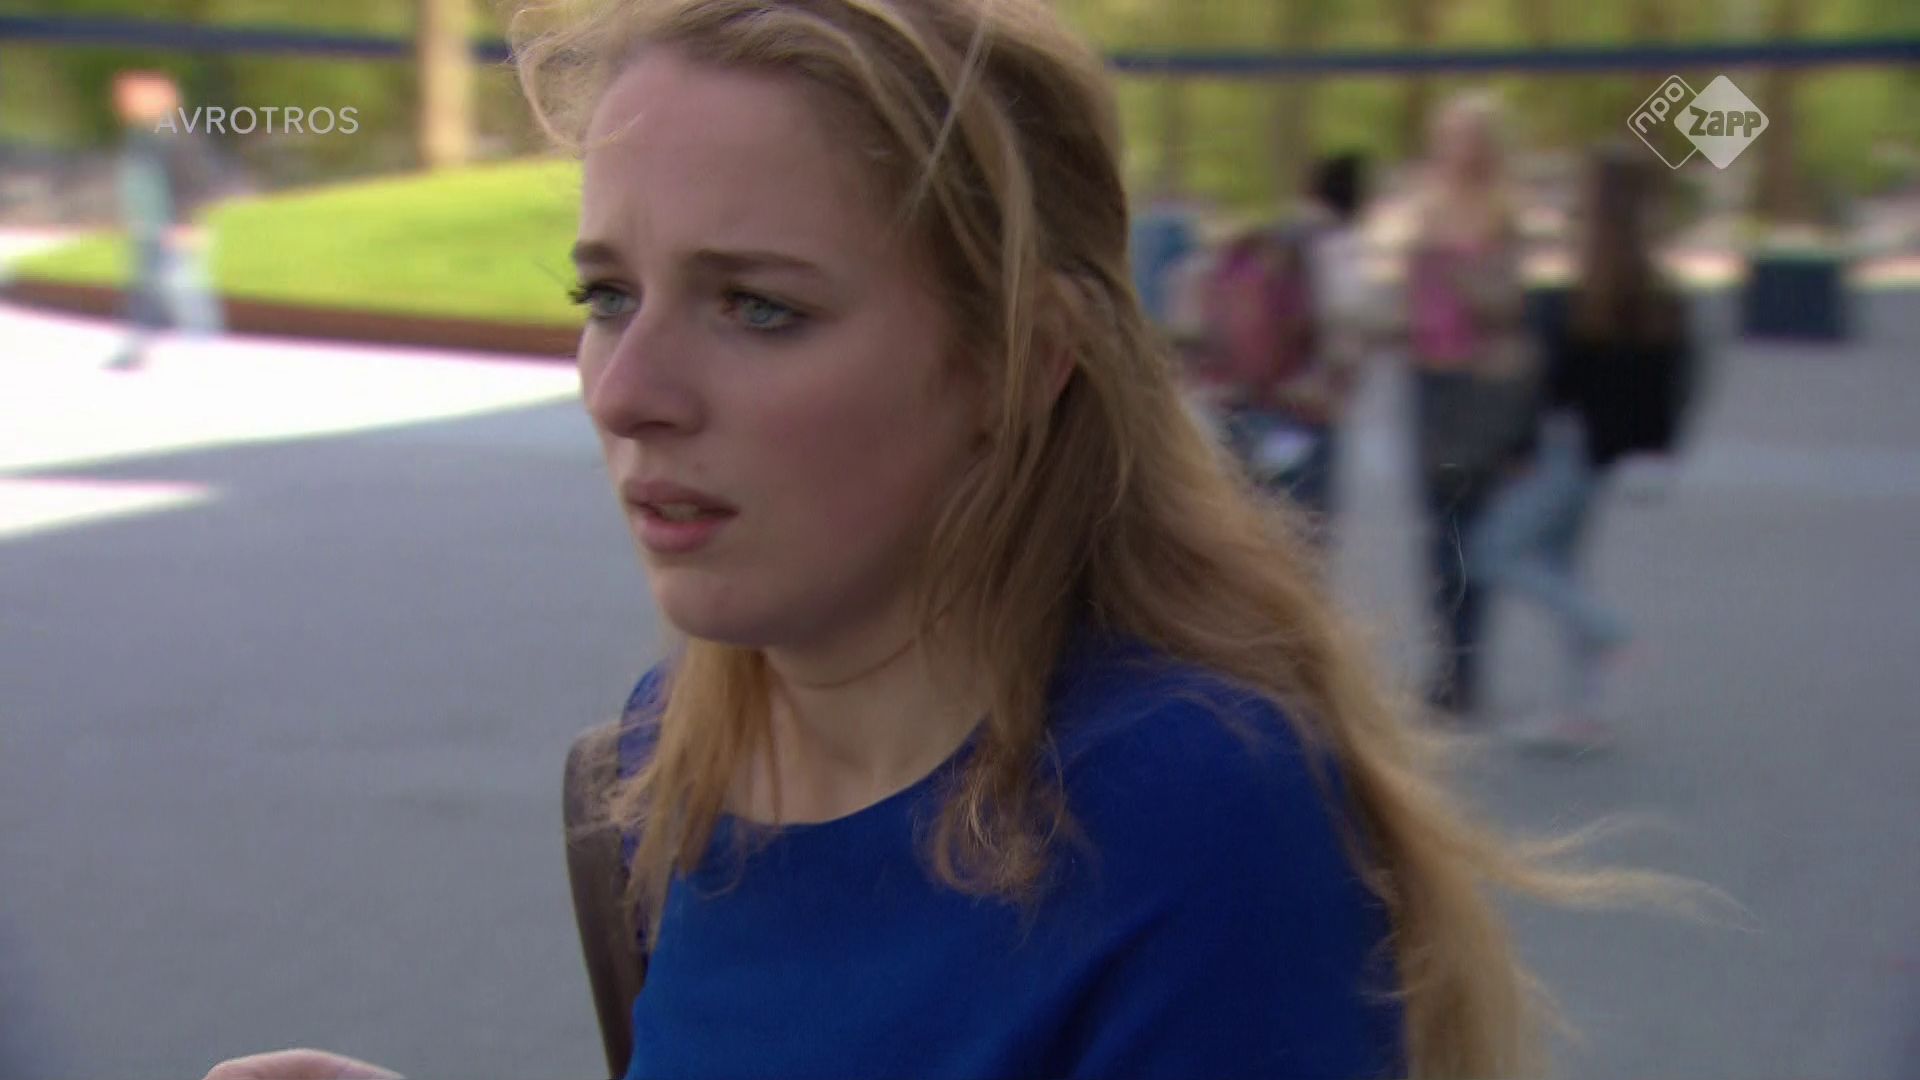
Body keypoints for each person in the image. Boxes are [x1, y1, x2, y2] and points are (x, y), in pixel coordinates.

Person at [205, 4, 1628, 1077]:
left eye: (758, 306)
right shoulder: (658, 769)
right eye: (606, 296)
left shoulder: (1193, 822)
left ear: (1021, 357)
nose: (626, 391)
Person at [1468, 144, 1696, 752]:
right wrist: (1658, 448)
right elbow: (1676, 384)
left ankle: (1606, 630)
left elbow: (1554, 384)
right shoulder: (1659, 293)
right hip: (1612, 454)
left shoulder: (1583, 292)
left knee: (1494, 549)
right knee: (1564, 564)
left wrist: (1518, 446)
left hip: (1568, 446)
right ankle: (1583, 708)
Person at [1403, 91, 1539, 721]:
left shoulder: (1502, 214)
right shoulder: (1425, 208)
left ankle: (1467, 667)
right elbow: (1408, 298)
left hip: (1476, 383)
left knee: (1469, 527)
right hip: (1427, 378)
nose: (1451, 148)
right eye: (1446, 135)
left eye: (1462, 136)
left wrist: (1460, 276)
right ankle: (1446, 663)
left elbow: (1509, 302)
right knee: (1436, 528)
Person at [105, 70, 224, 372]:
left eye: (131, 98)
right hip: (148, 228)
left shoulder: (176, 135)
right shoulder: (140, 137)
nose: (122, 104)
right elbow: (139, 183)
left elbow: (196, 182)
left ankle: (204, 348)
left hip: (174, 228)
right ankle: (136, 348)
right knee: (146, 291)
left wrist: (187, 224)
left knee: (184, 291)